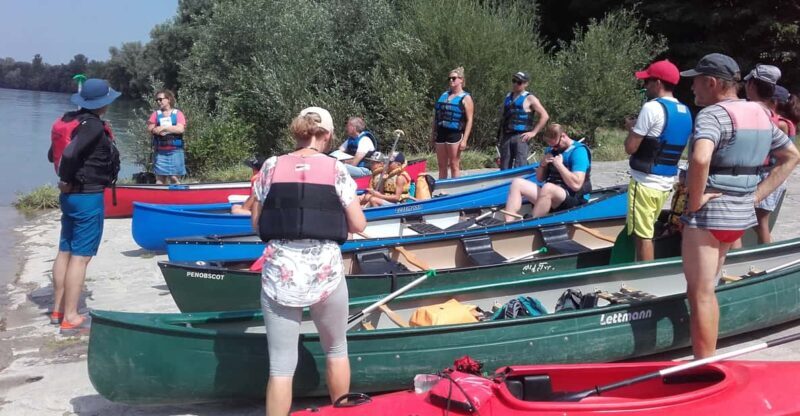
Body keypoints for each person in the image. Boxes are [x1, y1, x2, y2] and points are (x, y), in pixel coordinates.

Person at [679, 53, 799, 358]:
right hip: (738, 215)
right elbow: (791, 156)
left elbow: (701, 158)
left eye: (695, 81)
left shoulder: (711, 115)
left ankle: (702, 366)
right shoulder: (760, 114)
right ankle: (706, 357)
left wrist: (694, 201)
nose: (692, 87)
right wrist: (755, 196)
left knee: (700, 293)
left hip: (709, 214)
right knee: (709, 289)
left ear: (712, 82)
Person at [250, 107, 366, 415]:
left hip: (281, 271)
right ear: (326, 135)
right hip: (324, 271)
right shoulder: (335, 169)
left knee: (280, 368)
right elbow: (359, 224)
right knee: (337, 349)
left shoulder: (271, 166)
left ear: (297, 133)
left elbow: (256, 222)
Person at [48, 78, 121, 335]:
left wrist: (65, 181)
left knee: (65, 250)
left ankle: (57, 310)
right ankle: (70, 317)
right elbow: (68, 155)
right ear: (103, 103)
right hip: (86, 196)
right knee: (81, 257)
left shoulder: (72, 120)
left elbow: (53, 155)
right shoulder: (92, 127)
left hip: (70, 199)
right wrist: (67, 180)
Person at [624, 59, 693, 261]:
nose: (645, 86)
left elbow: (631, 147)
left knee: (643, 235)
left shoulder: (651, 108)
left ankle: (644, 277)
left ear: (658, 83)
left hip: (644, 183)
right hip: (665, 184)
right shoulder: (685, 111)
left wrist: (631, 129)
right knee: (648, 228)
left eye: (647, 81)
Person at [503, 124, 591, 221]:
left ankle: (531, 222)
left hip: (574, 199)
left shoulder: (579, 152)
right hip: (549, 195)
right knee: (517, 183)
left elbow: (576, 185)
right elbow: (540, 179)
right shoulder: (551, 150)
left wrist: (559, 165)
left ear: (564, 136)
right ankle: (508, 224)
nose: (554, 149)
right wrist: (542, 165)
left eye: (556, 145)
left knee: (548, 187)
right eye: (551, 146)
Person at [743, 64, 787, 244]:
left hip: (763, 174)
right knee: (756, 222)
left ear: (752, 86)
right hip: (769, 174)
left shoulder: (761, 117)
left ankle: (763, 257)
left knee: (760, 222)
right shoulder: (776, 119)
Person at [498, 71, 549, 169]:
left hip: (521, 137)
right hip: (506, 136)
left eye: (519, 82)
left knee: (519, 167)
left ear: (526, 84)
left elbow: (545, 115)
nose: (515, 84)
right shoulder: (508, 96)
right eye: (514, 81)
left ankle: (519, 184)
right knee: (504, 168)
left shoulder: (530, 98)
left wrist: (533, 132)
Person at [432, 67, 474, 179]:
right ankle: (443, 191)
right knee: (441, 165)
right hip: (441, 132)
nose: (451, 80)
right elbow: (436, 117)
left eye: (454, 78)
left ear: (461, 80)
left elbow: (470, 120)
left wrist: (464, 140)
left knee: (454, 165)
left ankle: (456, 191)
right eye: (449, 78)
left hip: (454, 133)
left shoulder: (466, 98)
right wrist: (432, 133)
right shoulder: (444, 95)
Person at [147, 89, 187, 184]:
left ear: (168, 99)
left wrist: (163, 128)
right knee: (160, 180)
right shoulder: (155, 114)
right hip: (160, 152)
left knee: (174, 178)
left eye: (160, 99)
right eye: (157, 100)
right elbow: (150, 129)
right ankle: (158, 198)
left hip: (175, 151)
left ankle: (178, 196)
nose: (158, 102)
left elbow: (180, 129)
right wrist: (155, 130)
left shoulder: (178, 114)